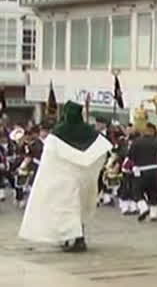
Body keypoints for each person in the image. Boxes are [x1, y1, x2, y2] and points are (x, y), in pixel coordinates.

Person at [18, 102, 113, 253]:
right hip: (83, 181)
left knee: (66, 209)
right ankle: (79, 238)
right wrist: (90, 171)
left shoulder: (57, 133)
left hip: (63, 179)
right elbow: (104, 150)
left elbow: (50, 158)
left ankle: (71, 239)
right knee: (79, 209)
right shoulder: (90, 132)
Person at [129, 122, 157, 223]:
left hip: (141, 171)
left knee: (137, 192)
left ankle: (143, 208)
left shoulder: (136, 142)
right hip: (156, 170)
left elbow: (131, 156)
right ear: (153, 131)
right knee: (154, 192)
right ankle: (154, 214)